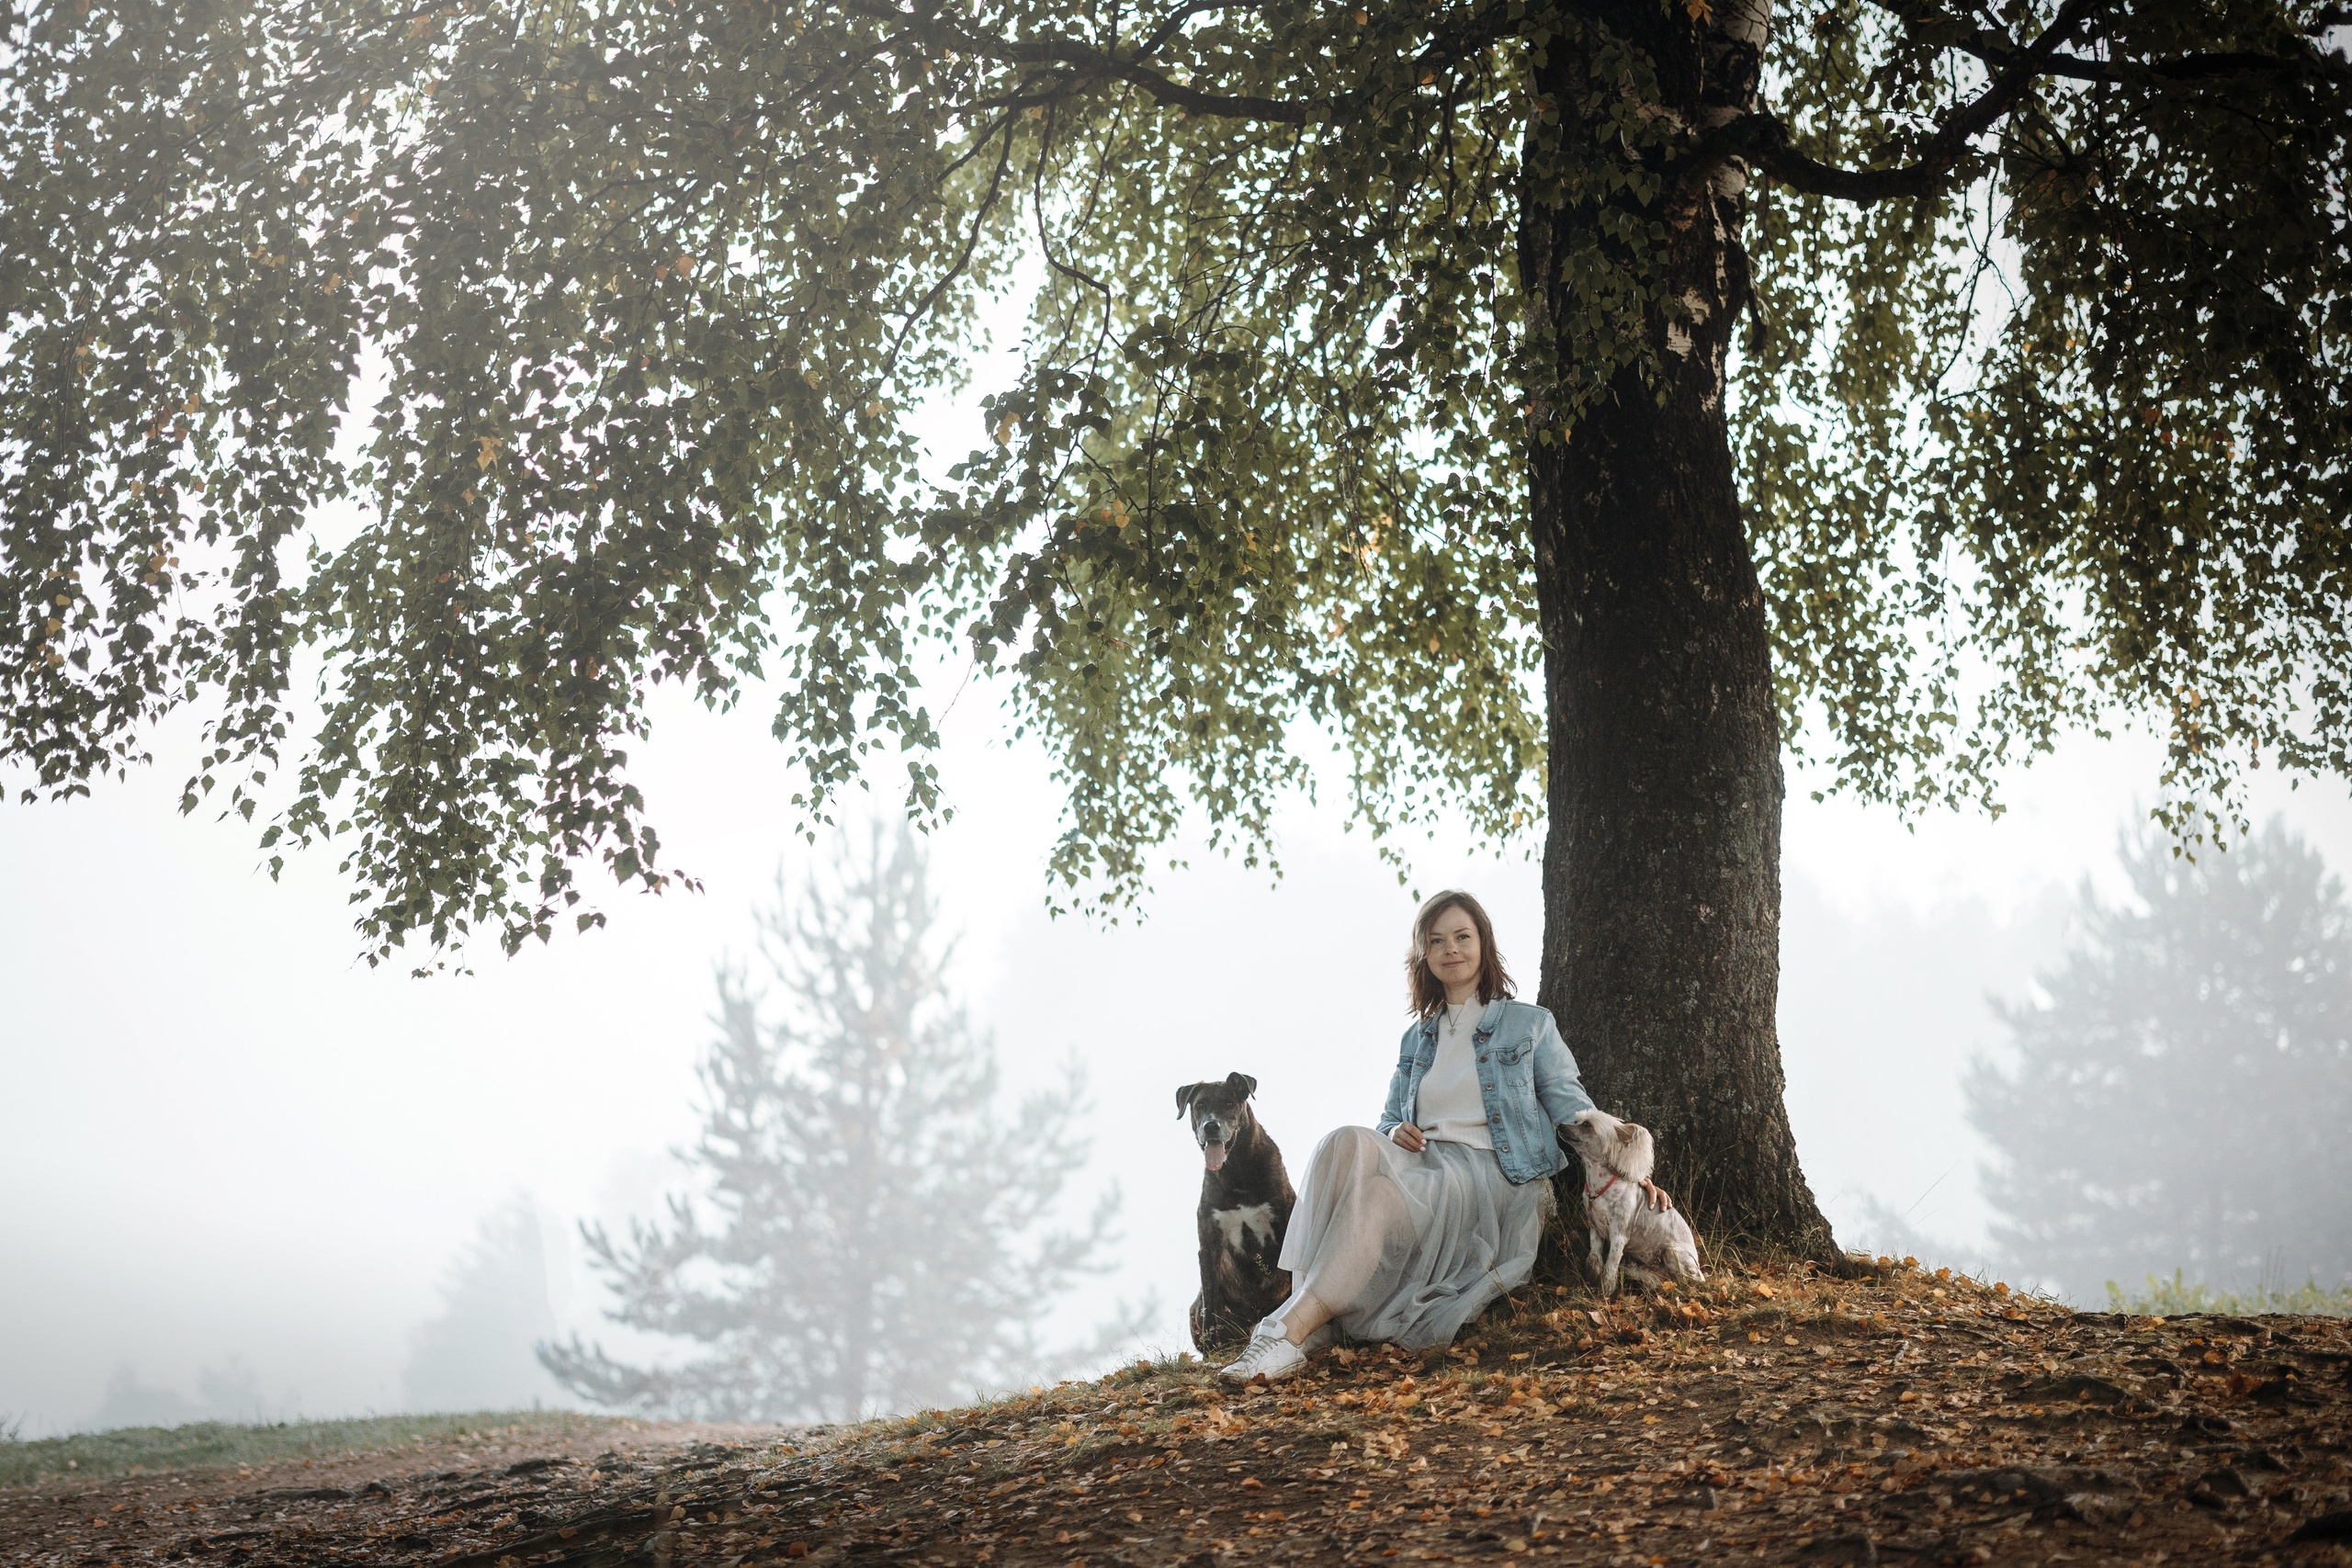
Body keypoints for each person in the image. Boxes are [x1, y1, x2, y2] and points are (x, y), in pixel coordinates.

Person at [1220, 890, 1673, 1382]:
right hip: (1425, 1168)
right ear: (1425, 956)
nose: (1451, 949)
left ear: (1483, 943)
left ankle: (1281, 1334)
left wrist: (1632, 1171)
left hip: (1493, 1178)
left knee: (1371, 1188)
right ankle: (1300, 1326)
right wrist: (1397, 1130)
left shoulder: (1530, 1025)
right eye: (1437, 941)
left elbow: (1575, 1108)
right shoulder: (1418, 1037)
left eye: (1462, 936)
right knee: (1342, 1142)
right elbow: (1388, 1118)